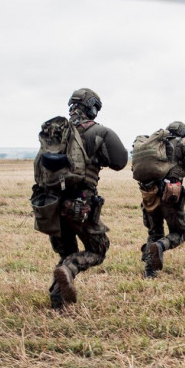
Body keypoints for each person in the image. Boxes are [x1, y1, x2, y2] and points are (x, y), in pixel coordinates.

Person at [44, 88, 127, 309]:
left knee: (67, 252)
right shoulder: (99, 132)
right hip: (80, 204)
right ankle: (68, 271)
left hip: (51, 204)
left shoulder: (55, 132)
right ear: (92, 107)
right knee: (98, 249)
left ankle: (57, 301)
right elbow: (120, 161)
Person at [139, 121, 185, 278]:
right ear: (183, 133)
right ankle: (160, 246)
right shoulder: (182, 142)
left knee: (154, 232)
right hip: (169, 195)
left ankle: (150, 273)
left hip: (149, 194)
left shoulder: (155, 143)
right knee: (180, 233)